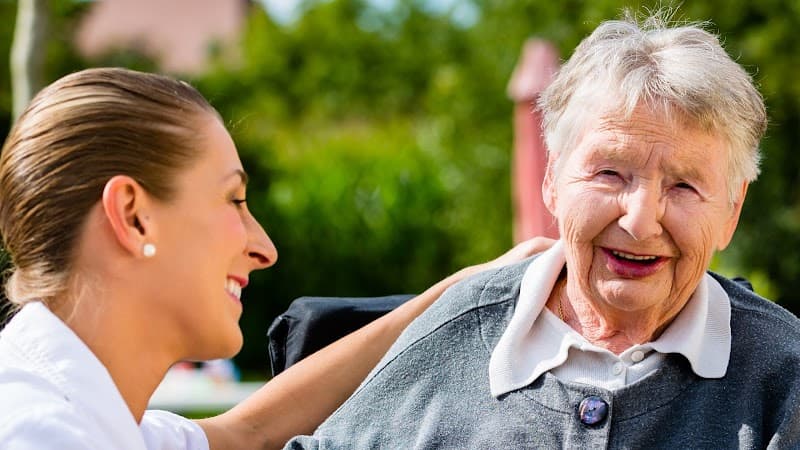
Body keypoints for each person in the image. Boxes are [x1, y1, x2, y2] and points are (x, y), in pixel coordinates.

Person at [285, 10, 800, 449]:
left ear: (731, 212)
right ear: (552, 180)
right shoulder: (447, 340)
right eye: (609, 173)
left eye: (684, 186)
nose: (641, 221)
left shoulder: (785, 377)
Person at [0, 67, 549, 449]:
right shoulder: (42, 433)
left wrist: (462, 292)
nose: (265, 248)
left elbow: (250, 434)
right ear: (134, 215)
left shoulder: (79, 409)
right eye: (233, 200)